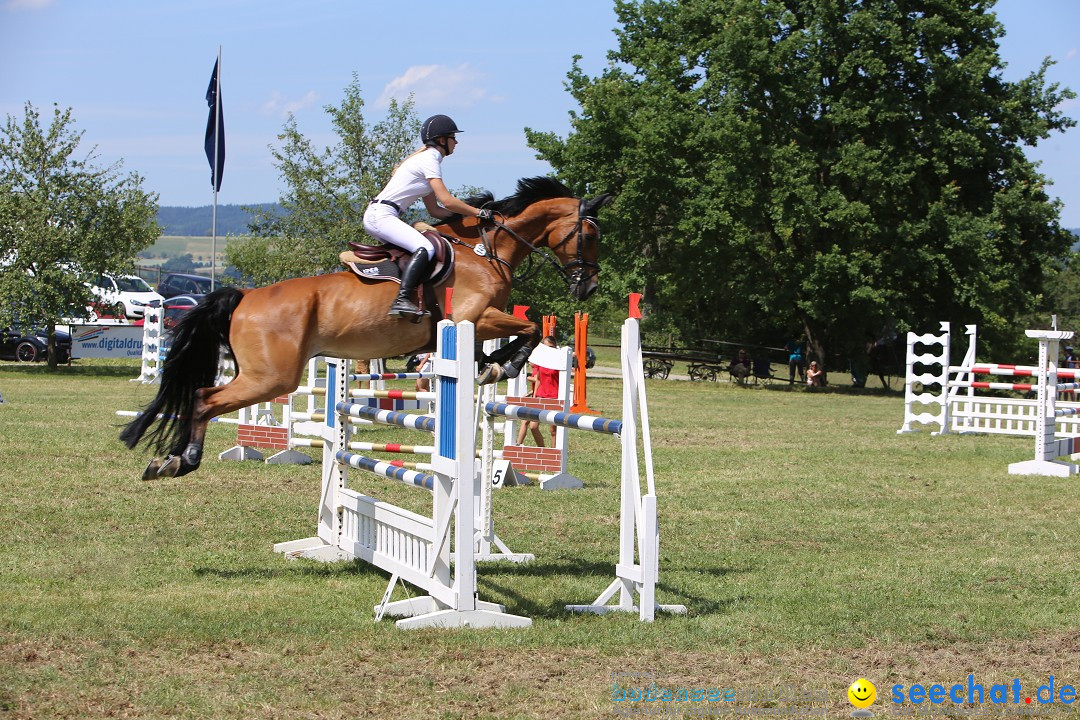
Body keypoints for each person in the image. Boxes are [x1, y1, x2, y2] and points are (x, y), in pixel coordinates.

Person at [362, 114, 493, 318]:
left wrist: (465, 219)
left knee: (415, 250)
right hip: (381, 216)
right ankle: (402, 299)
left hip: (382, 215)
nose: (456, 142)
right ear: (442, 140)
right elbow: (447, 200)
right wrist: (479, 212)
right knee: (425, 247)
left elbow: (436, 210)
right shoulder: (429, 160)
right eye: (453, 137)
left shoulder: (427, 161)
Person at [516, 336, 559, 447]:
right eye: (546, 347)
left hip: (554, 397)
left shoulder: (560, 361)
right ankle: (543, 449)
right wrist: (534, 397)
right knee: (533, 426)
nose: (549, 349)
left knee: (553, 430)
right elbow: (538, 380)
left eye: (551, 347)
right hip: (540, 396)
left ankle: (554, 453)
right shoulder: (541, 361)